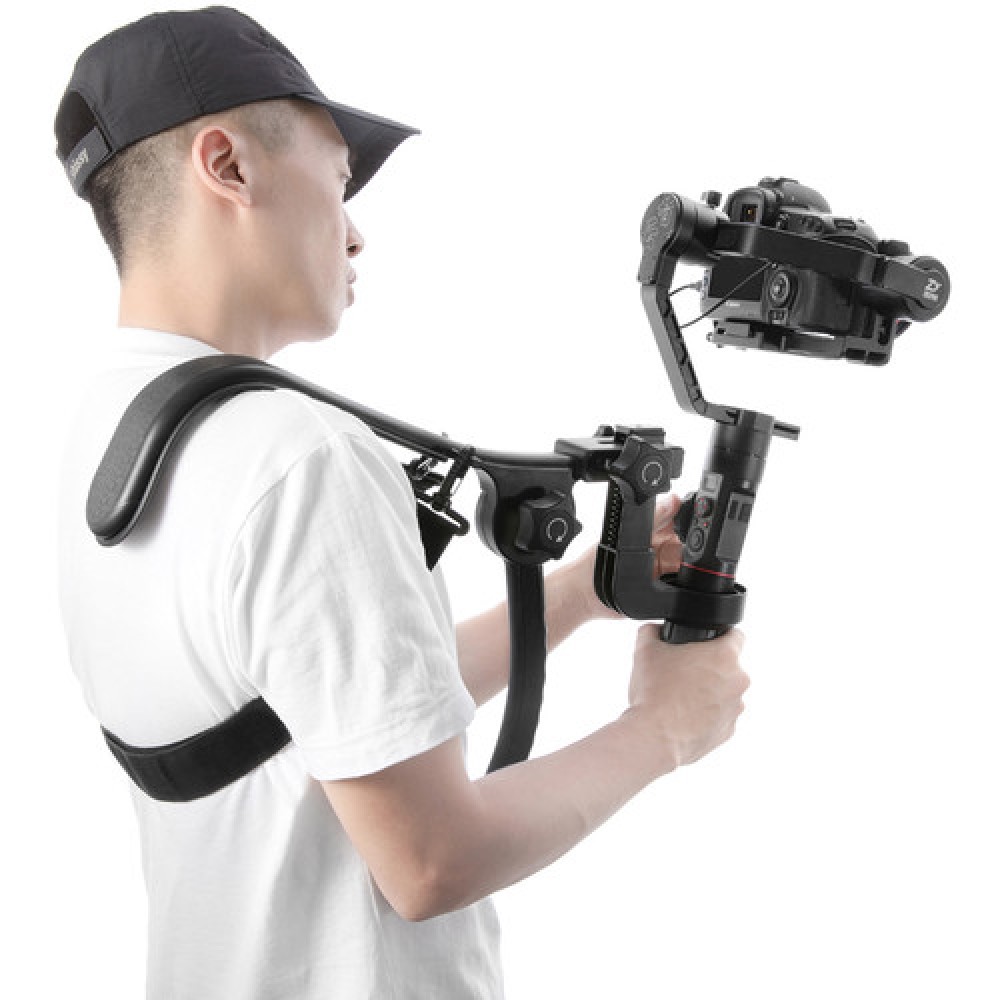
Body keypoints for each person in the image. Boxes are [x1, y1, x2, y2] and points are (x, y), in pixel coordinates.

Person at [54, 7, 749, 999]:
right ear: (228, 166)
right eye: (340, 181)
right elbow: (428, 860)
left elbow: (336, 708)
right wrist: (663, 727)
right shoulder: (301, 459)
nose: (355, 231)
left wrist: (575, 596)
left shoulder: (114, 427)